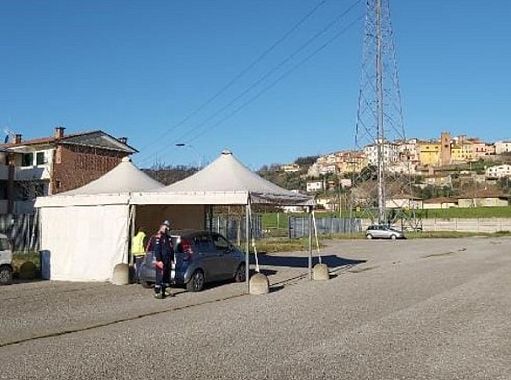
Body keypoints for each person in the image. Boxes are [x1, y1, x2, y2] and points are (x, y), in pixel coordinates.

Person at [152, 220, 174, 299]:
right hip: (161, 260)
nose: (167, 228)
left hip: (167, 260)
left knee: (166, 276)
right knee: (159, 276)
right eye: (166, 227)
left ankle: (165, 291)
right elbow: (157, 249)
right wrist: (159, 260)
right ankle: (158, 292)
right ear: (162, 227)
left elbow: (171, 249)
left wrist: (172, 259)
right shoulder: (159, 237)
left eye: (168, 227)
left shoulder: (168, 237)